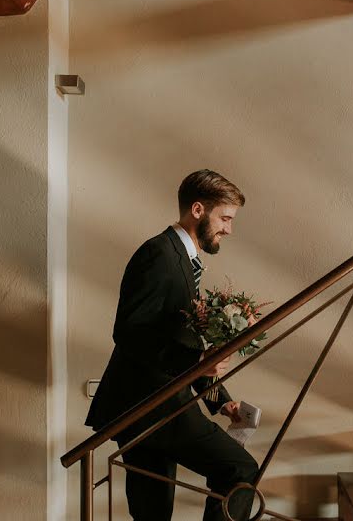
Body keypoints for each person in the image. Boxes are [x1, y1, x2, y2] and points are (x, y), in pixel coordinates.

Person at [86, 169, 259, 521]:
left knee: (153, 514)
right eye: (224, 218)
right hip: (150, 405)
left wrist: (221, 403)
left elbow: (176, 339)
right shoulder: (158, 255)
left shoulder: (184, 261)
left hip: (155, 403)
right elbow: (130, 332)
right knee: (239, 469)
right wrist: (198, 360)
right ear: (198, 210)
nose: (229, 229)